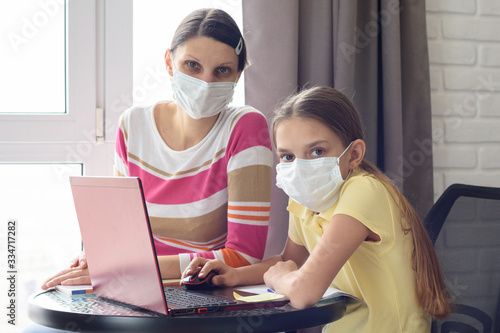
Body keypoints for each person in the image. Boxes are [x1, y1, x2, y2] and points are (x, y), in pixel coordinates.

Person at [183, 86, 451, 332]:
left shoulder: (364, 191)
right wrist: (235, 275)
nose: (299, 167)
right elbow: (291, 261)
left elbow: (303, 291)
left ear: (354, 154)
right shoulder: (305, 201)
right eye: (288, 156)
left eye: (317, 152)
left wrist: (281, 279)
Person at [41, 8, 273, 290]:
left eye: (222, 70)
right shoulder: (133, 125)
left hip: (201, 298)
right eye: (192, 65)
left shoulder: (246, 127)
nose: (205, 82)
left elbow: (243, 257)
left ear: (237, 76)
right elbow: (124, 236)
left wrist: (126, 267)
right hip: (133, 288)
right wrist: (100, 258)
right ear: (169, 62)